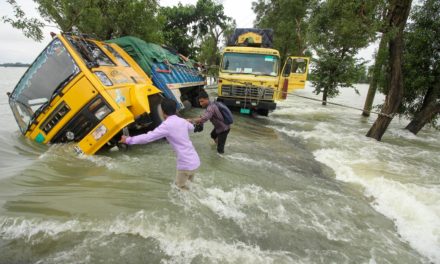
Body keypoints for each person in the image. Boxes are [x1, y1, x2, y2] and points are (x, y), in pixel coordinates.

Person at [119, 98, 200, 190]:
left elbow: (148, 137)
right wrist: (187, 121)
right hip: (195, 161)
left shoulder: (166, 125)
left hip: (185, 164)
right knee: (189, 187)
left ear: (162, 111)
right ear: (175, 109)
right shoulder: (182, 121)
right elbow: (192, 128)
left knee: (179, 190)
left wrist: (128, 140)